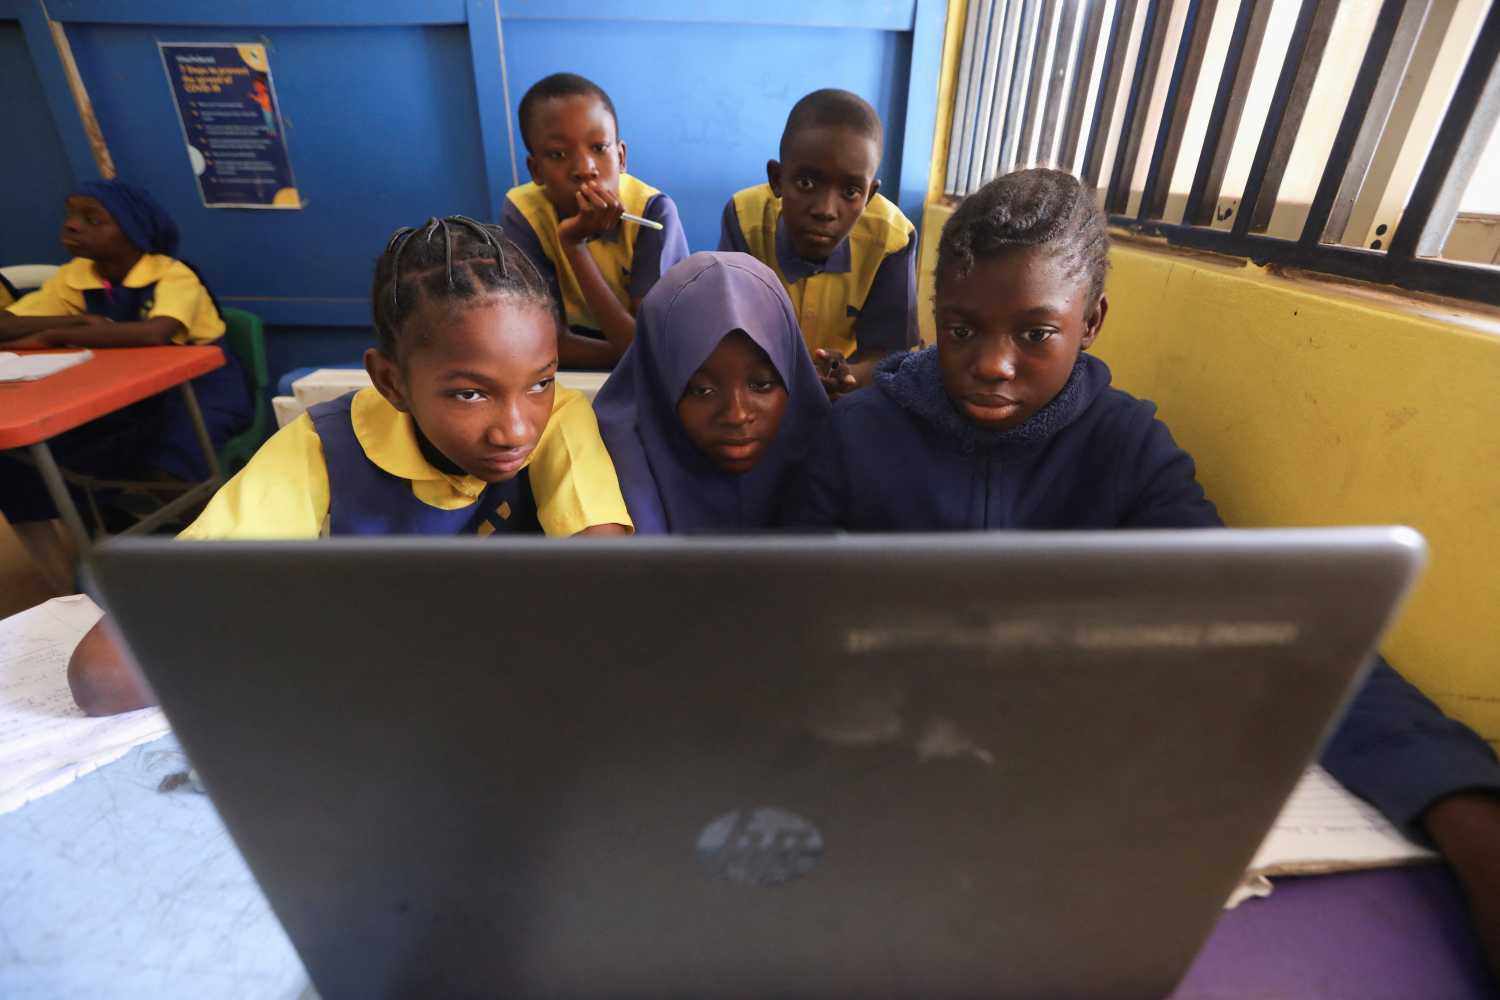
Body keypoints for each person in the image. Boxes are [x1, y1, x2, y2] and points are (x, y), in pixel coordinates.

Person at [784, 167, 1500, 980]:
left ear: (1091, 321)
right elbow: (786, 608)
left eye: (1034, 334)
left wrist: (1463, 809)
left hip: (1060, 801)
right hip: (886, 774)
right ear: (932, 316)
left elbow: (1273, 630)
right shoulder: (858, 434)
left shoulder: (1128, 450)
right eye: (961, 329)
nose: (991, 364)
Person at [67, 216, 633, 717]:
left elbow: (608, 593)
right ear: (391, 381)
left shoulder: (560, 417)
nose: (515, 428)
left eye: (540, 380)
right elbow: (104, 676)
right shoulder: (321, 447)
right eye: (468, 394)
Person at [0, 179, 251, 589]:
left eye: (91, 219)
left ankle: (216, 552)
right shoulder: (75, 278)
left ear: (133, 228)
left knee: (170, 447)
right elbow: (5, 324)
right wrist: (72, 321)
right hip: (115, 392)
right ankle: (83, 566)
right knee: (28, 462)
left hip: (198, 387)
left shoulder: (172, 274)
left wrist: (50, 338)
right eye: (70, 216)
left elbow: (154, 333)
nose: (72, 227)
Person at [592, 252, 829, 533]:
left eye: (762, 385)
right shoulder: (609, 461)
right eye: (702, 390)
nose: (736, 415)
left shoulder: (834, 451)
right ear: (659, 382)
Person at [719, 88, 917, 399]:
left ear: (870, 196)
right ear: (777, 178)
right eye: (806, 183)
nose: (825, 210)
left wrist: (849, 375)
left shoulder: (891, 239)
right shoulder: (745, 218)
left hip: (845, 399)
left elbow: (889, 357)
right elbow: (729, 332)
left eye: (851, 191)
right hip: (760, 388)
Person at [501, 72, 689, 367]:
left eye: (599, 148)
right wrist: (630, 353)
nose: (585, 169)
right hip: (581, 361)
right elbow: (541, 341)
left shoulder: (652, 212)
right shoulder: (524, 214)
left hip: (656, 364)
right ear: (535, 170)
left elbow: (653, 348)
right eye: (558, 154)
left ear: (622, 157)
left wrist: (574, 245)